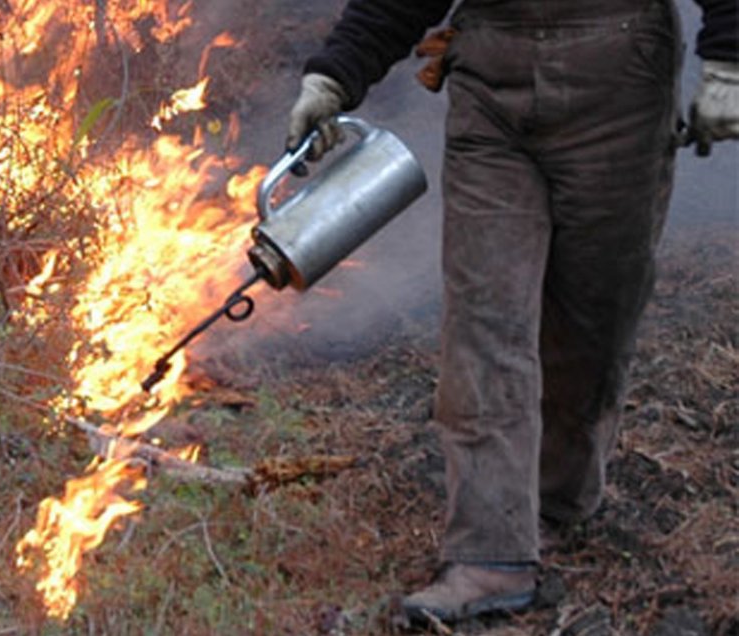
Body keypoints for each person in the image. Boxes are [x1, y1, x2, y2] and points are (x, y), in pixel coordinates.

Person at [285, 0, 739, 625]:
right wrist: (333, 76)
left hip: (620, 85)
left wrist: (730, 65)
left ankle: (557, 497)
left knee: (593, 321)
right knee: (484, 320)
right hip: (491, 93)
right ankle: (489, 554)